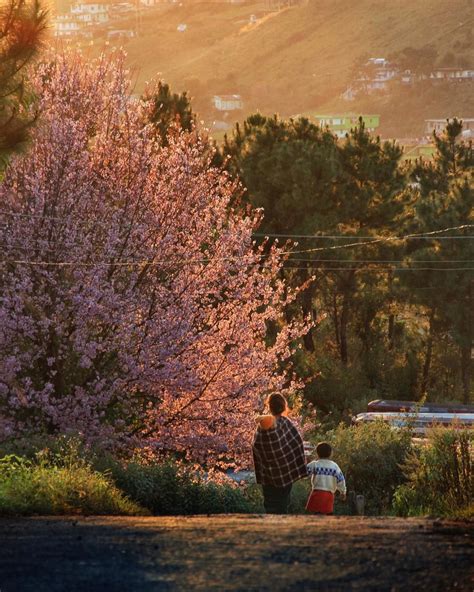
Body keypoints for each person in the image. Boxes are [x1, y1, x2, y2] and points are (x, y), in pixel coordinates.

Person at [252, 393, 307, 514]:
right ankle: (281, 528)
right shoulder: (286, 423)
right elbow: (296, 444)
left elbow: (256, 446)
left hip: (268, 474)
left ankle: (270, 528)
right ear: (283, 406)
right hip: (285, 474)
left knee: (270, 504)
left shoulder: (261, 427)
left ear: (269, 406)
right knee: (283, 504)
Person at [306, 441, 346, 515]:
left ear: (317, 453)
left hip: (316, 493)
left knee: (316, 514)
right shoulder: (334, 466)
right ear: (330, 453)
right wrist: (343, 491)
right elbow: (341, 480)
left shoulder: (314, 464)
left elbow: (304, 473)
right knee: (327, 514)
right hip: (328, 495)